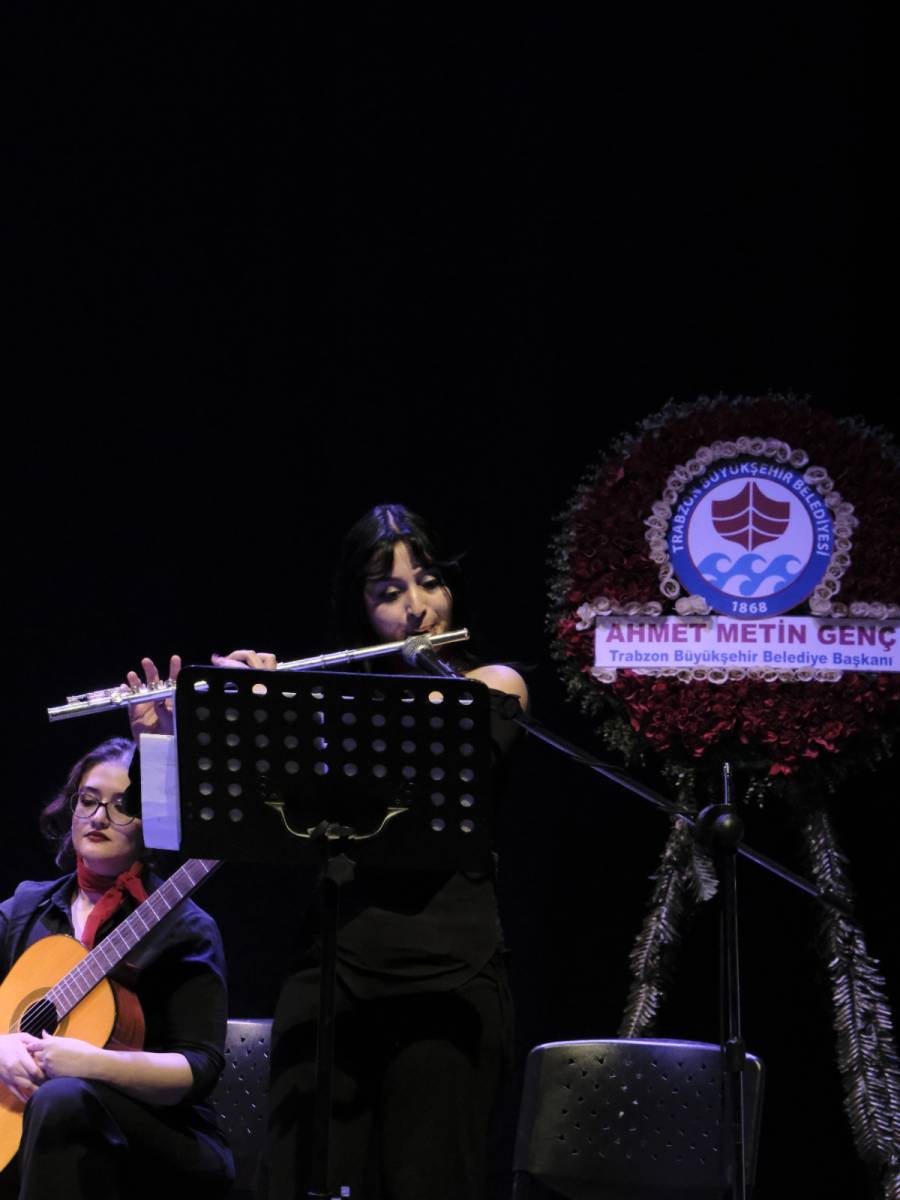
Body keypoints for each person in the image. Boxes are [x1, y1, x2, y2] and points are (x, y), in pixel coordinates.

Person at [0, 737, 234, 1200]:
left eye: (123, 806)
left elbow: (199, 1066)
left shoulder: (184, 926)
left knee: (63, 1097)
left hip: (157, 1135)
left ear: (154, 823)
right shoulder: (27, 908)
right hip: (30, 1121)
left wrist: (93, 1064)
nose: (99, 817)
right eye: (88, 800)